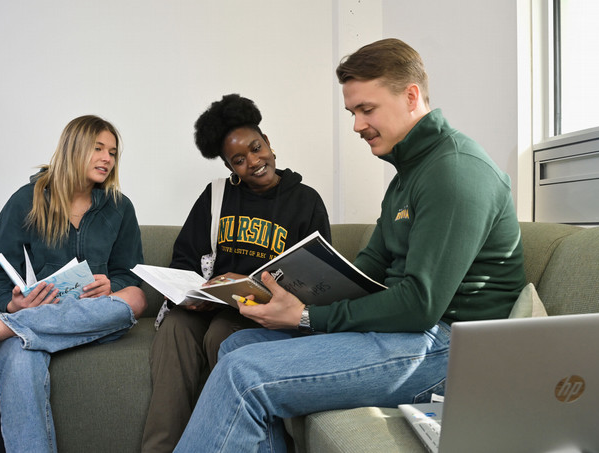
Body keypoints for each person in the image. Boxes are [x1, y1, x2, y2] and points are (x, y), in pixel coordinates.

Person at [173, 38, 527, 452]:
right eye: (353, 112)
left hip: (451, 347)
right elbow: (369, 266)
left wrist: (305, 317)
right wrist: (290, 294)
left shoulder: (455, 171)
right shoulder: (406, 177)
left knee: (243, 374)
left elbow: (420, 305)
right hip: (410, 333)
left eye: (367, 109)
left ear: (411, 96)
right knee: (237, 344)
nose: (357, 125)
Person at [0, 115, 147, 452]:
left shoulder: (120, 208)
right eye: (98, 149)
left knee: (134, 298)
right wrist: (13, 302)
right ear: (74, 149)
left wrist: (112, 284)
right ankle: (14, 325)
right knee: (18, 359)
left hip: (92, 313)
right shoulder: (27, 199)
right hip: (39, 311)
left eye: (113, 152)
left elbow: (131, 275)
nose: (108, 158)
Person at [141, 94, 331, 452]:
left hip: (257, 313)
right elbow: (184, 257)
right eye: (239, 160)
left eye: (256, 149)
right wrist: (190, 292)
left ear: (268, 143)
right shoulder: (216, 196)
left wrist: (253, 289)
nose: (253, 162)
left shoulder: (306, 201)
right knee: (175, 329)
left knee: (222, 337)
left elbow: (318, 275)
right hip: (211, 303)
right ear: (231, 166)